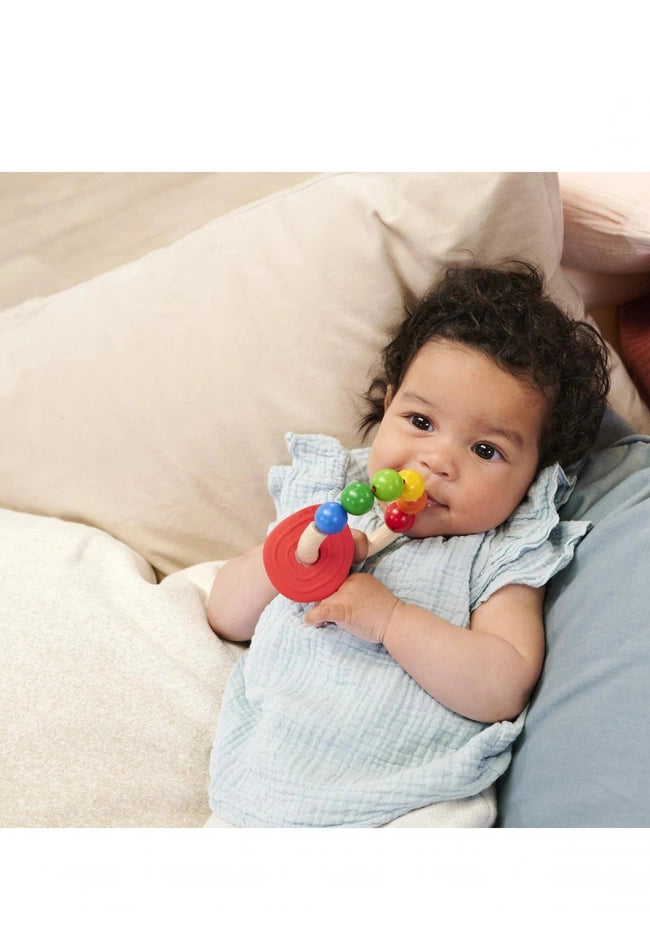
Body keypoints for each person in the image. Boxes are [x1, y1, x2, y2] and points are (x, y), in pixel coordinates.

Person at [205, 261, 610, 827]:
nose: (437, 461)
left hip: (416, 796)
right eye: (420, 420)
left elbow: (502, 684)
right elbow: (226, 615)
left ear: (534, 476)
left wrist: (391, 620)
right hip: (269, 775)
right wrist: (293, 558)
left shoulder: (497, 548)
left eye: (486, 451)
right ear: (389, 403)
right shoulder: (333, 500)